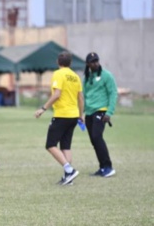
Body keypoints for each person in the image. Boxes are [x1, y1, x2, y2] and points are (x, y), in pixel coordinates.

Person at [34, 51, 84, 186]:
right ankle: (69, 178)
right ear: (70, 63)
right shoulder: (75, 76)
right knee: (66, 146)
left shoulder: (58, 74)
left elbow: (57, 94)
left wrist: (43, 108)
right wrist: (81, 114)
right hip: (73, 115)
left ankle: (69, 170)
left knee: (50, 145)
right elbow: (80, 97)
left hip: (62, 115)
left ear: (58, 62)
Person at [83, 52, 118, 177]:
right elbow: (84, 95)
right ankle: (102, 167)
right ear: (88, 64)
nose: (95, 63)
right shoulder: (87, 77)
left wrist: (109, 112)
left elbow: (113, 93)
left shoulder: (107, 75)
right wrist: (82, 112)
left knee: (97, 137)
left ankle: (108, 167)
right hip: (89, 113)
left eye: (96, 61)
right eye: (92, 61)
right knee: (94, 140)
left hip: (101, 110)